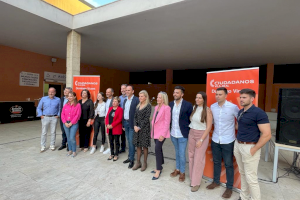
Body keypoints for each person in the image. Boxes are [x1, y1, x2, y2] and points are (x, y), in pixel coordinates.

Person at [234, 89, 271, 200]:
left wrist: (254, 149)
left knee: (251, 178)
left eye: (244, 97)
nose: (241, 99)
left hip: (250, 147)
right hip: (238, 145)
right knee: (243, 173)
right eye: (240, 97)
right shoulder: (241, 112)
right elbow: (240, 127)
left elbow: (267, 134)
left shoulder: (259, 113)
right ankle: (244, 196)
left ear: (252, 99)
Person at [207, 87, 239, 199]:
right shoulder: (212, 107)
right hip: (215, 139)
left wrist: (235, 127)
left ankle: (229, 188)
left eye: (220, 94)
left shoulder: (233, 107)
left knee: (228, 164)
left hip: (228, 140)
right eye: (216, 94)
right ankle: (216, 182)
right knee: (216, 162)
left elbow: (240, 120)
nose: (217, 96)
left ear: (226, 95)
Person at [188, 92, 212, 192]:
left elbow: (209, 127)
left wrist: (201, 140)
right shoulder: (195, 107)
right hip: (192, 132)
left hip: (201, 135)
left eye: (200, 98)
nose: (197, 99)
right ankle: (192, 178)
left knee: (198, 159)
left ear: (204, 99)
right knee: (191, 156)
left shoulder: (207, 110)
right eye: (196, 97)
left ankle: (196, 183)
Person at [169, 86, 193, 182]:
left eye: (177, 92)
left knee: (182, 154)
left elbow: (190, 119)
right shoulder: (171, 104)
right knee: (177, 152)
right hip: (173, 133)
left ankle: (182, 172)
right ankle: (177, 169)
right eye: (174, 92)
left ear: (182, 94)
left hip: (183, 134)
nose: (175, 94)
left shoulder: (188, 105)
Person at [151, 91, 171, 180]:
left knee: (157, 149)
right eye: (157, 97)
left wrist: (163, 135)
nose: (158, 99)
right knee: (158, 149)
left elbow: (167, 122)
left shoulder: (167, 108)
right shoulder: (156, 107)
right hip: (155, 132)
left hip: (162, 133)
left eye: (160, 97)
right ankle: (161, 166)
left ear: (163, 99)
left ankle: (158, 169)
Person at [132, 90, 152, 171]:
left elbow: (146, 118)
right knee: (138, 145)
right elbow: (135, 117)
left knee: (144, 146)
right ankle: (138, 162)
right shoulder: (138, 105)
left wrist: (139, 127)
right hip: (137, 129)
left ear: (146, 97)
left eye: (142, 96)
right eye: (139, 96)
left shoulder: (148, 106)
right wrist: (135, 126)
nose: (140, 97)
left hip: (144, 129)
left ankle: (144, 163)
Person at [37, 87, 61, 152]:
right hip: (45, 117)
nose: (51, 93)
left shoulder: (58, 99)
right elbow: (39, 108)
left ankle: (52, 145)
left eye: (52, 92)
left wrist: (58, 115)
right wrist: (41, 115)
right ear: (48, 92)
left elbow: (60, 108)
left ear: (55, 93)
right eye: (50, 92)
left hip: (54, 117)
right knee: (44, 132)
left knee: (53, 132)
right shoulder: (43, 98)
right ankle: (43, 146)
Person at [122, 85, 139, 169]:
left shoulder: (136, 100)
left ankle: (132, 159)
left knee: (131, 142)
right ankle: (130, 157)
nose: (127, 91)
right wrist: (123, 124)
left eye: (129, 90)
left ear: (133, 91)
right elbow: (124, 112)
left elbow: (138, 113)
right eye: (126, 90)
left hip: (132, 124)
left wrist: (137, 124)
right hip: (125, 123)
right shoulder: (125, 100)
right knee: (128, 141)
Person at [61, 92, 81, 157]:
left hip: (74, 123)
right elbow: (62, 114)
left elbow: (78, 115)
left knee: (72, 137)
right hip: (66, 123)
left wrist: (71, 123)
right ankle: (70, 150)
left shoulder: (78, 105)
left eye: (71, 96)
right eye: (68, 96)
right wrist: (65, 122)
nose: (69, 97)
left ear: (74, 97)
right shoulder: (66, 105)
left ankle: (74, 151)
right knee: (68, 137)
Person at [105, 97, 123, 161]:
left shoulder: (120, 109)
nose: (114, 103)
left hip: (116, 128)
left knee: (116, 141)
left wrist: (112, 125)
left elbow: (119, 119)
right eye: (113, 101)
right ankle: (112, 154)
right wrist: (107, 124)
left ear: (118, 103)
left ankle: (116, 154)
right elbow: (107, 117)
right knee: (111, 141)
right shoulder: (110, 108)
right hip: (109, 128)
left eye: (115, 101)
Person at [58, 87, 72, 151]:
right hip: (62, 118)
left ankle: (69, 145)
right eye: (64, 90)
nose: (65, 91)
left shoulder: (71, 100)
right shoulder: (62, 99)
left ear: (70, 92)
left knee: (68, 132)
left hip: (69, 118)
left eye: (67, 91)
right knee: (63, 131)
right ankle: (63, 144)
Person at [103, 88, 114, 154]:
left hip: (111, 120)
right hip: (106, 119)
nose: (107, 93)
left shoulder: (114, 100)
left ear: (112, 93)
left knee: (112, 134)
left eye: (108, 92)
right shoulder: (106, 100)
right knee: (107, 134)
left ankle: (112, 148)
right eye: (106, 92)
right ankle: (109, 147)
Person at [119, 84, 127, 153]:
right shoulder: (119, 98)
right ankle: (123, 148)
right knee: (122, 134)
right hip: (120, 118)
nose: (123, 90)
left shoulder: (129, 97)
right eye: (122, 88)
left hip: (127, 118)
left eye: (124, 88)